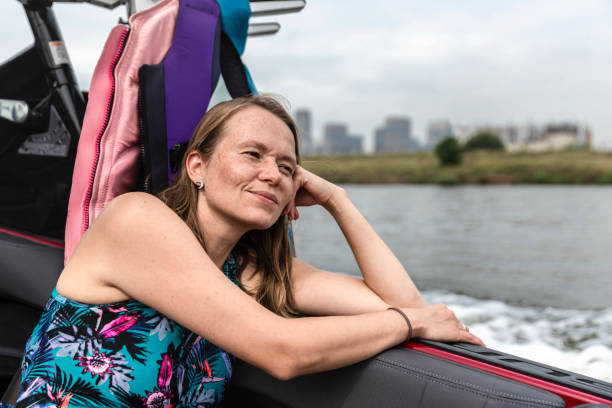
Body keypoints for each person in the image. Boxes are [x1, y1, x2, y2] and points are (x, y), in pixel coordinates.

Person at [13, 95, 483, 407]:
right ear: (197, 166)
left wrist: (339, 201)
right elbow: (281, 351)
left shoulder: (251, 273)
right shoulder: (136, 220)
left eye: (287, 167)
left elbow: (405, 303)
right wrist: (411, 324)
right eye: (252, 155)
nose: (274, 174)